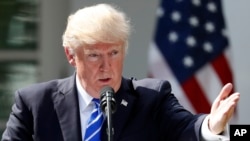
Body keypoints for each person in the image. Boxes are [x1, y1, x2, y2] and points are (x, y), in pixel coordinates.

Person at [1, 3, 240, 141]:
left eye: (114, 53)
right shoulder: (34, 103)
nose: (106, 66)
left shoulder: (151, 98)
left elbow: (188, 128)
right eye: (94, 55)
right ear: (71, 56)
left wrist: (211, 124)